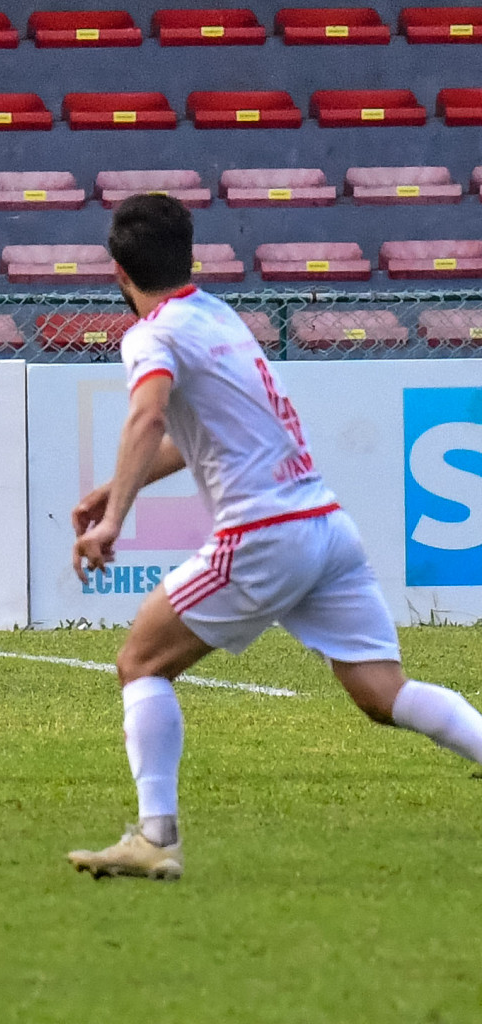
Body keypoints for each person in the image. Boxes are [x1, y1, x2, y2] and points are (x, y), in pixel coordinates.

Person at [68, 194, 482, 880]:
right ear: (190, 256)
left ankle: (156, 837)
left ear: (117, 272)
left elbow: (146, 418)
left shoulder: (149, 335)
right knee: (383, 691)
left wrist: (114, 520)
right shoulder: (217, 316)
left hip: (264, 535)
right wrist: (120, 489)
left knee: (140, 664)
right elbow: (213, 432)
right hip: (324, 526)